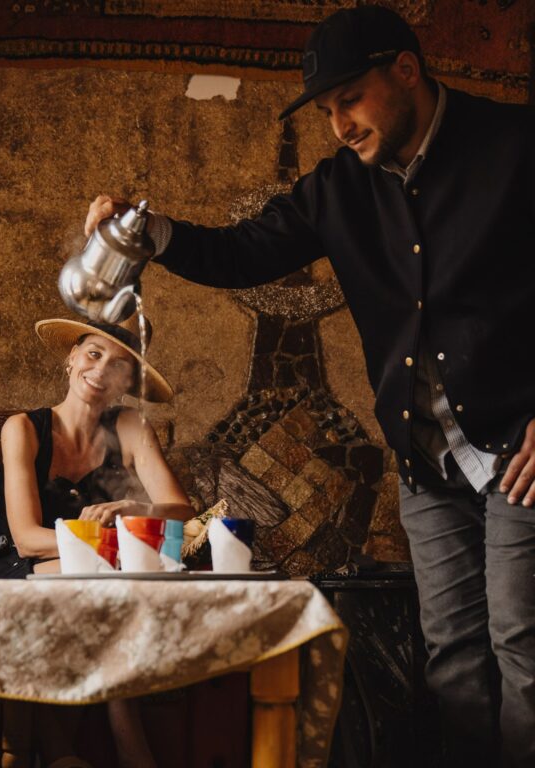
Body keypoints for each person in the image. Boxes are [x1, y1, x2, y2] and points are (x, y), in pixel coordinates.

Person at [83, 7, 535, 767]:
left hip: (518, 450)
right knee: (454, 657)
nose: (339, 126)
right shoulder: (335, 189)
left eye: (349, 100)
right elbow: (240, 254)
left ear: (406, 71)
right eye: (326, 111)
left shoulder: (516, 146)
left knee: (523, 644)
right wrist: (147, 231)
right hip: (427, 463)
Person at [0, 314, 193, 768]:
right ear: (72, 358)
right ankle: (81, 747)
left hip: (85, 568)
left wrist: (134, 509)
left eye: (118, 365)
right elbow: (27, 539)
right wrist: (107, 538)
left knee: (109, 580)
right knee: (102, 576)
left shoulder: (130, 426)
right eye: (93, 353)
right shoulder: (23, 428)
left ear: (127, 383)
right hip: (12, 567)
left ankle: (84, 740)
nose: (101, 370)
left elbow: (182, 512)